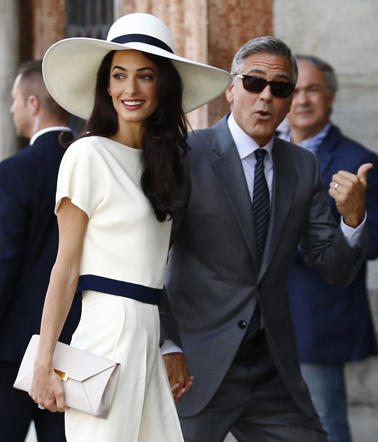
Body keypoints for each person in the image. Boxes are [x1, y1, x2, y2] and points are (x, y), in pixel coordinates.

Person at [28, 13, 231, 442]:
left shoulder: (165, 163)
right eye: (119, 75)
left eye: (145, 76)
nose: (130, 89)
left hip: (147, 336)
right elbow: (64, 267)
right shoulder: (87, 156)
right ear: (106, 85)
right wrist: (45, 364)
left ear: (164, 85)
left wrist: (167, 345)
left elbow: (158, 273)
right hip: (105, 333)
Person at [163, 36, 373, 442]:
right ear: (231, 89)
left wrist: (353, 219)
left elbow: (334, 267)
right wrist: (167, 344)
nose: (265, 97)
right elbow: (147, 259)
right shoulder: (186, 154)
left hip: (270, 368)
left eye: (279, 89)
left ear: (289, 99)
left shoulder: (302, 165)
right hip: (196, 365)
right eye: (254, 83)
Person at [285, 55, 378, 442]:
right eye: (293, 90)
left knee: (324, 424)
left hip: (317, 318)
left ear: (331, 96)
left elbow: (373, 243)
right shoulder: (262, 150)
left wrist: (351, 216)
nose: (302, 99)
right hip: (252, 318)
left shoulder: (357, 161)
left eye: (313, 89)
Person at [0, 59, 81, 442]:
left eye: (14, 101)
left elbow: (4, 261)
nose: (12, 109)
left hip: (11, 349)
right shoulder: (90, 163)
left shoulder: (13, 171)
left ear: (33, 104)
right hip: (76, 347)